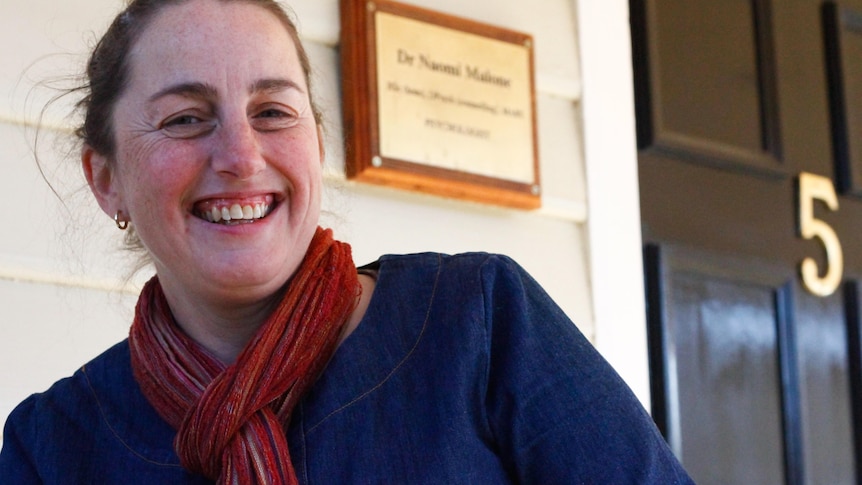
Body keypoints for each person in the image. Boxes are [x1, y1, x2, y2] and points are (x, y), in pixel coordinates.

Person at [0, 0, 693, 483]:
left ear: (317, 145)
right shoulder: (51, 445)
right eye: (185, 119)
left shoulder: (476, 321)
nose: (241, 155)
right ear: (106, 178)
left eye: (273, 111)